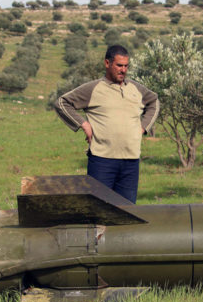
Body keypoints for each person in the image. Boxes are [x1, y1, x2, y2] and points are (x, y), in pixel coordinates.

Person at [54, 45, 159, 203]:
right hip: (102, 161)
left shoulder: (135, 89)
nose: (123, 70)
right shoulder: (93, 88)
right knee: (98, 209)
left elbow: (154, 101)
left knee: (127, 212)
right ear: (107, 63)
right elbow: (62, 103)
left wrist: (143, 127)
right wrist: (83, 124)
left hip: (131, 161)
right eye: (119, 65)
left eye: (126, 66)